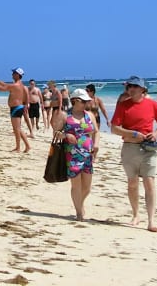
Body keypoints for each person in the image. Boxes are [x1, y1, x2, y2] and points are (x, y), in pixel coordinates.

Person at [110, 75, 157, 232]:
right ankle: (135, 214)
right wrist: (133, 133)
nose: (131, 89)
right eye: (129, 87)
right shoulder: (123, 105)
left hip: (148, 148)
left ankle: (151, 220)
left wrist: (155, 133)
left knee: (150, 182)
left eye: (134, 86)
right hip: (129, 148)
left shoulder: (152, 104)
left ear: (143, 89)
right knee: (132, 183)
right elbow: (114, 128)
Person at [52, 88, 98, 221]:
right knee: (76, 185)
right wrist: (66, 135)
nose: (86, 104)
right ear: (75, 101)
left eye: (87, 101)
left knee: (87, 187)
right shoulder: (65, 115)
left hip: (88, 155)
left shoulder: (89, 115)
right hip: (71, 155)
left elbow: (96, 132)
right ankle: (79, 212)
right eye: (84, 101)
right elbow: (56, 133)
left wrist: (96, 145)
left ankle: (80, 203)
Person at [0, 68, 31, 153]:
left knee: (17, 129)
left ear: (17, 75)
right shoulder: (20, 84)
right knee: (18, 129)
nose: (12, 74)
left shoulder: (15, 85)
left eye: (13, 73)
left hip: (16, 108)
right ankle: (27, 146)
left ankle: (18, 148)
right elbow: (4, 84)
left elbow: (2, 88)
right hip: (17, 108)